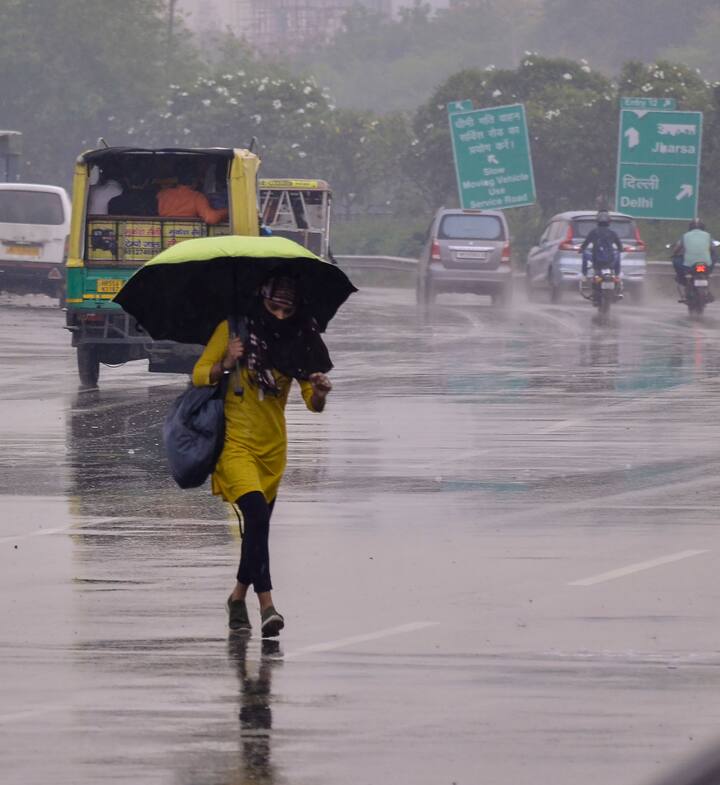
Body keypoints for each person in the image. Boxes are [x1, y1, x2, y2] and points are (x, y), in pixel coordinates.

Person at [192, 274, 333, 637]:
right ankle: (267, 604)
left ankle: (237, 597)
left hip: (273, 450)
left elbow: (312, 404)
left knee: (257, 528)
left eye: (288, 310)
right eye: (274, 308)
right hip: (234, 445)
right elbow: (198, 375)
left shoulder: (299, 340)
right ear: (261, 301)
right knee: (255, 514)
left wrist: (319, 391)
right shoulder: (234, 330)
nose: (281, 316)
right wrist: (225, 362)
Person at [158, 169, 228, 224]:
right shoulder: (197, 197)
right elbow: (211, 218)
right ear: (195, 182)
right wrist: (228, 211)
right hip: (188, 234)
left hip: (162, 235)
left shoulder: (162, 193)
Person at [672, 218, 717, 285]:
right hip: (706, 263)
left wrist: (674, 253)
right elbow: (712, 248)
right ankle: (708, 274)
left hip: (689, 264)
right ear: (703, 227)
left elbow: (677, 248)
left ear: (690, 227)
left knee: (676, 260)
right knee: (715, 256)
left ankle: (682, 279)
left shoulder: (685, 235)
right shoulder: (707, 235)